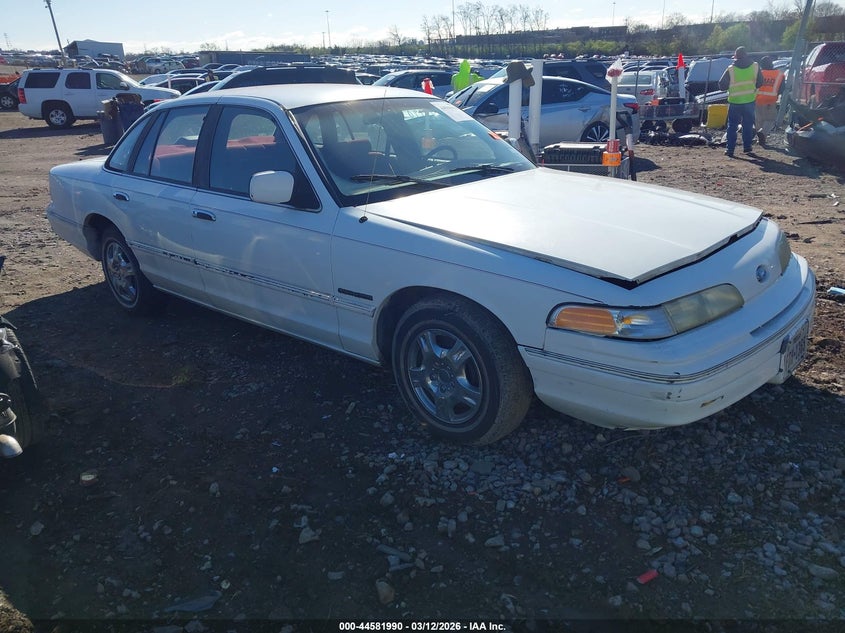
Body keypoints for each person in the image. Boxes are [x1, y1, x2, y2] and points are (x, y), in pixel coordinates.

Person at [718, 46, 764, 157]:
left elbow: (721, 85)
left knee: (732, 126)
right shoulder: (755, 66)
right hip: (749, 100)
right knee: (747, 125)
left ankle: (730, 149)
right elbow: (760, 82)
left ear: (736, 57)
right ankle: (747, 147)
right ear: (746, 54)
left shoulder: (731, 69)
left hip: (735, 101)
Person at [755, 56, 784, 147]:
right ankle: (763, 134)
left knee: (759, 120)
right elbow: (782, 88)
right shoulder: (779, 74)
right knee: (770, 120)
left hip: (758, 99)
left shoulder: (758, 73)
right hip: (770, 100)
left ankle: (760, 138)